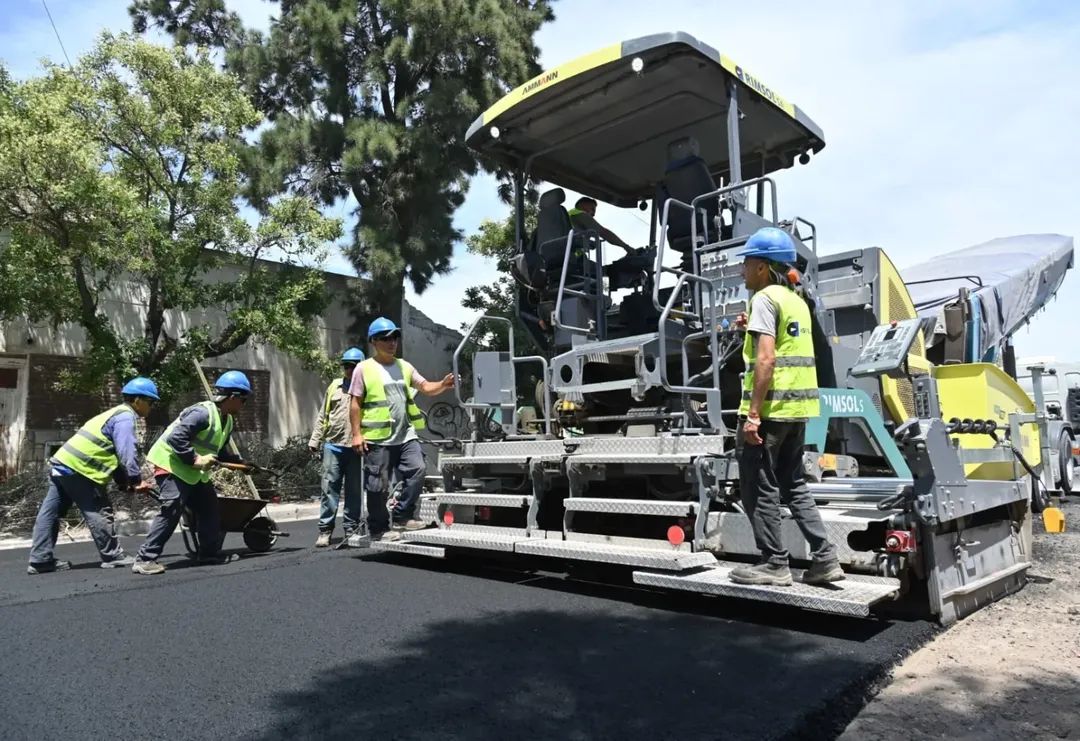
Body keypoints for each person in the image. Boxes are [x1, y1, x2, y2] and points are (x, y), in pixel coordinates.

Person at [728, 226, 844, 587]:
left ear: (763, 267)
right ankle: (824, 558)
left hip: (771, 413)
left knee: (758, 487)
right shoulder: (795, 301)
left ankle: (774, 564)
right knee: (793, 483)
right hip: (798, 411)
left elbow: (766, 361)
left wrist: (752, 416)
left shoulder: (763, 299)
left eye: (747, 264)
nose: (742, 271)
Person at [27, 377, 160, 574]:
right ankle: (113, 556)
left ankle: (40, 560)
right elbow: (126, 452)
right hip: (81, 470)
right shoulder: (125, 417)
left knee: (50, 513)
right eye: (151, 402)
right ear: (137, 400)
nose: (152, 407)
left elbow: (112, 454)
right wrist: (136, 480)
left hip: (62, 464)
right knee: (99, 509)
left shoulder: (112, 414)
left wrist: (124, 484)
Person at [131, 370, 252, 575]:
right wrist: (195, 459)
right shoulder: (202, 413)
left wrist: (239, 462)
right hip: (170, 465)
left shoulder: (227, 420)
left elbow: (217, 450)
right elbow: (176, 438)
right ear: (233, 397)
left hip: (192, 472)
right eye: (244, 400)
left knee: (210, 507)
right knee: (171, 508)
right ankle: (145, 559)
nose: (244, 405)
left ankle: (208, 553)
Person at [350, 317, 455, 541]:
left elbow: (425, 387)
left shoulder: (404, 366)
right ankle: (378, 529)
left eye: (395, 337)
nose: (392, 342)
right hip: (378, 439)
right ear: (374, 342)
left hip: (405, 435)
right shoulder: (363, 369)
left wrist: (443, 385)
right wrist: (357, 434)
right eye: (386, 338)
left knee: (417, 469)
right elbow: (355, 403)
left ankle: (403, 516)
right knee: (377, 487)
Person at [309, 347, 366, 547]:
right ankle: (325, 531)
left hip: (356, 448)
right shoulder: (334, 386)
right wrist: (315, 441)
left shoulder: (367, 388)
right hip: (333, 445)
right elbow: (323, 415)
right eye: (346, 366)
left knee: (353, 491)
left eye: (353, 366)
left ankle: (351, 529)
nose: (349, 370)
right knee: (329, 488)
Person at [568, 196, 635, 253]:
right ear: (583, 205)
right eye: (593, 209)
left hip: (570, 256)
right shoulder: (577, 213)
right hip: (573, 259)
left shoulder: (568, 214)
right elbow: (604, 233)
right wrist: (626, 246)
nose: (594, 214)